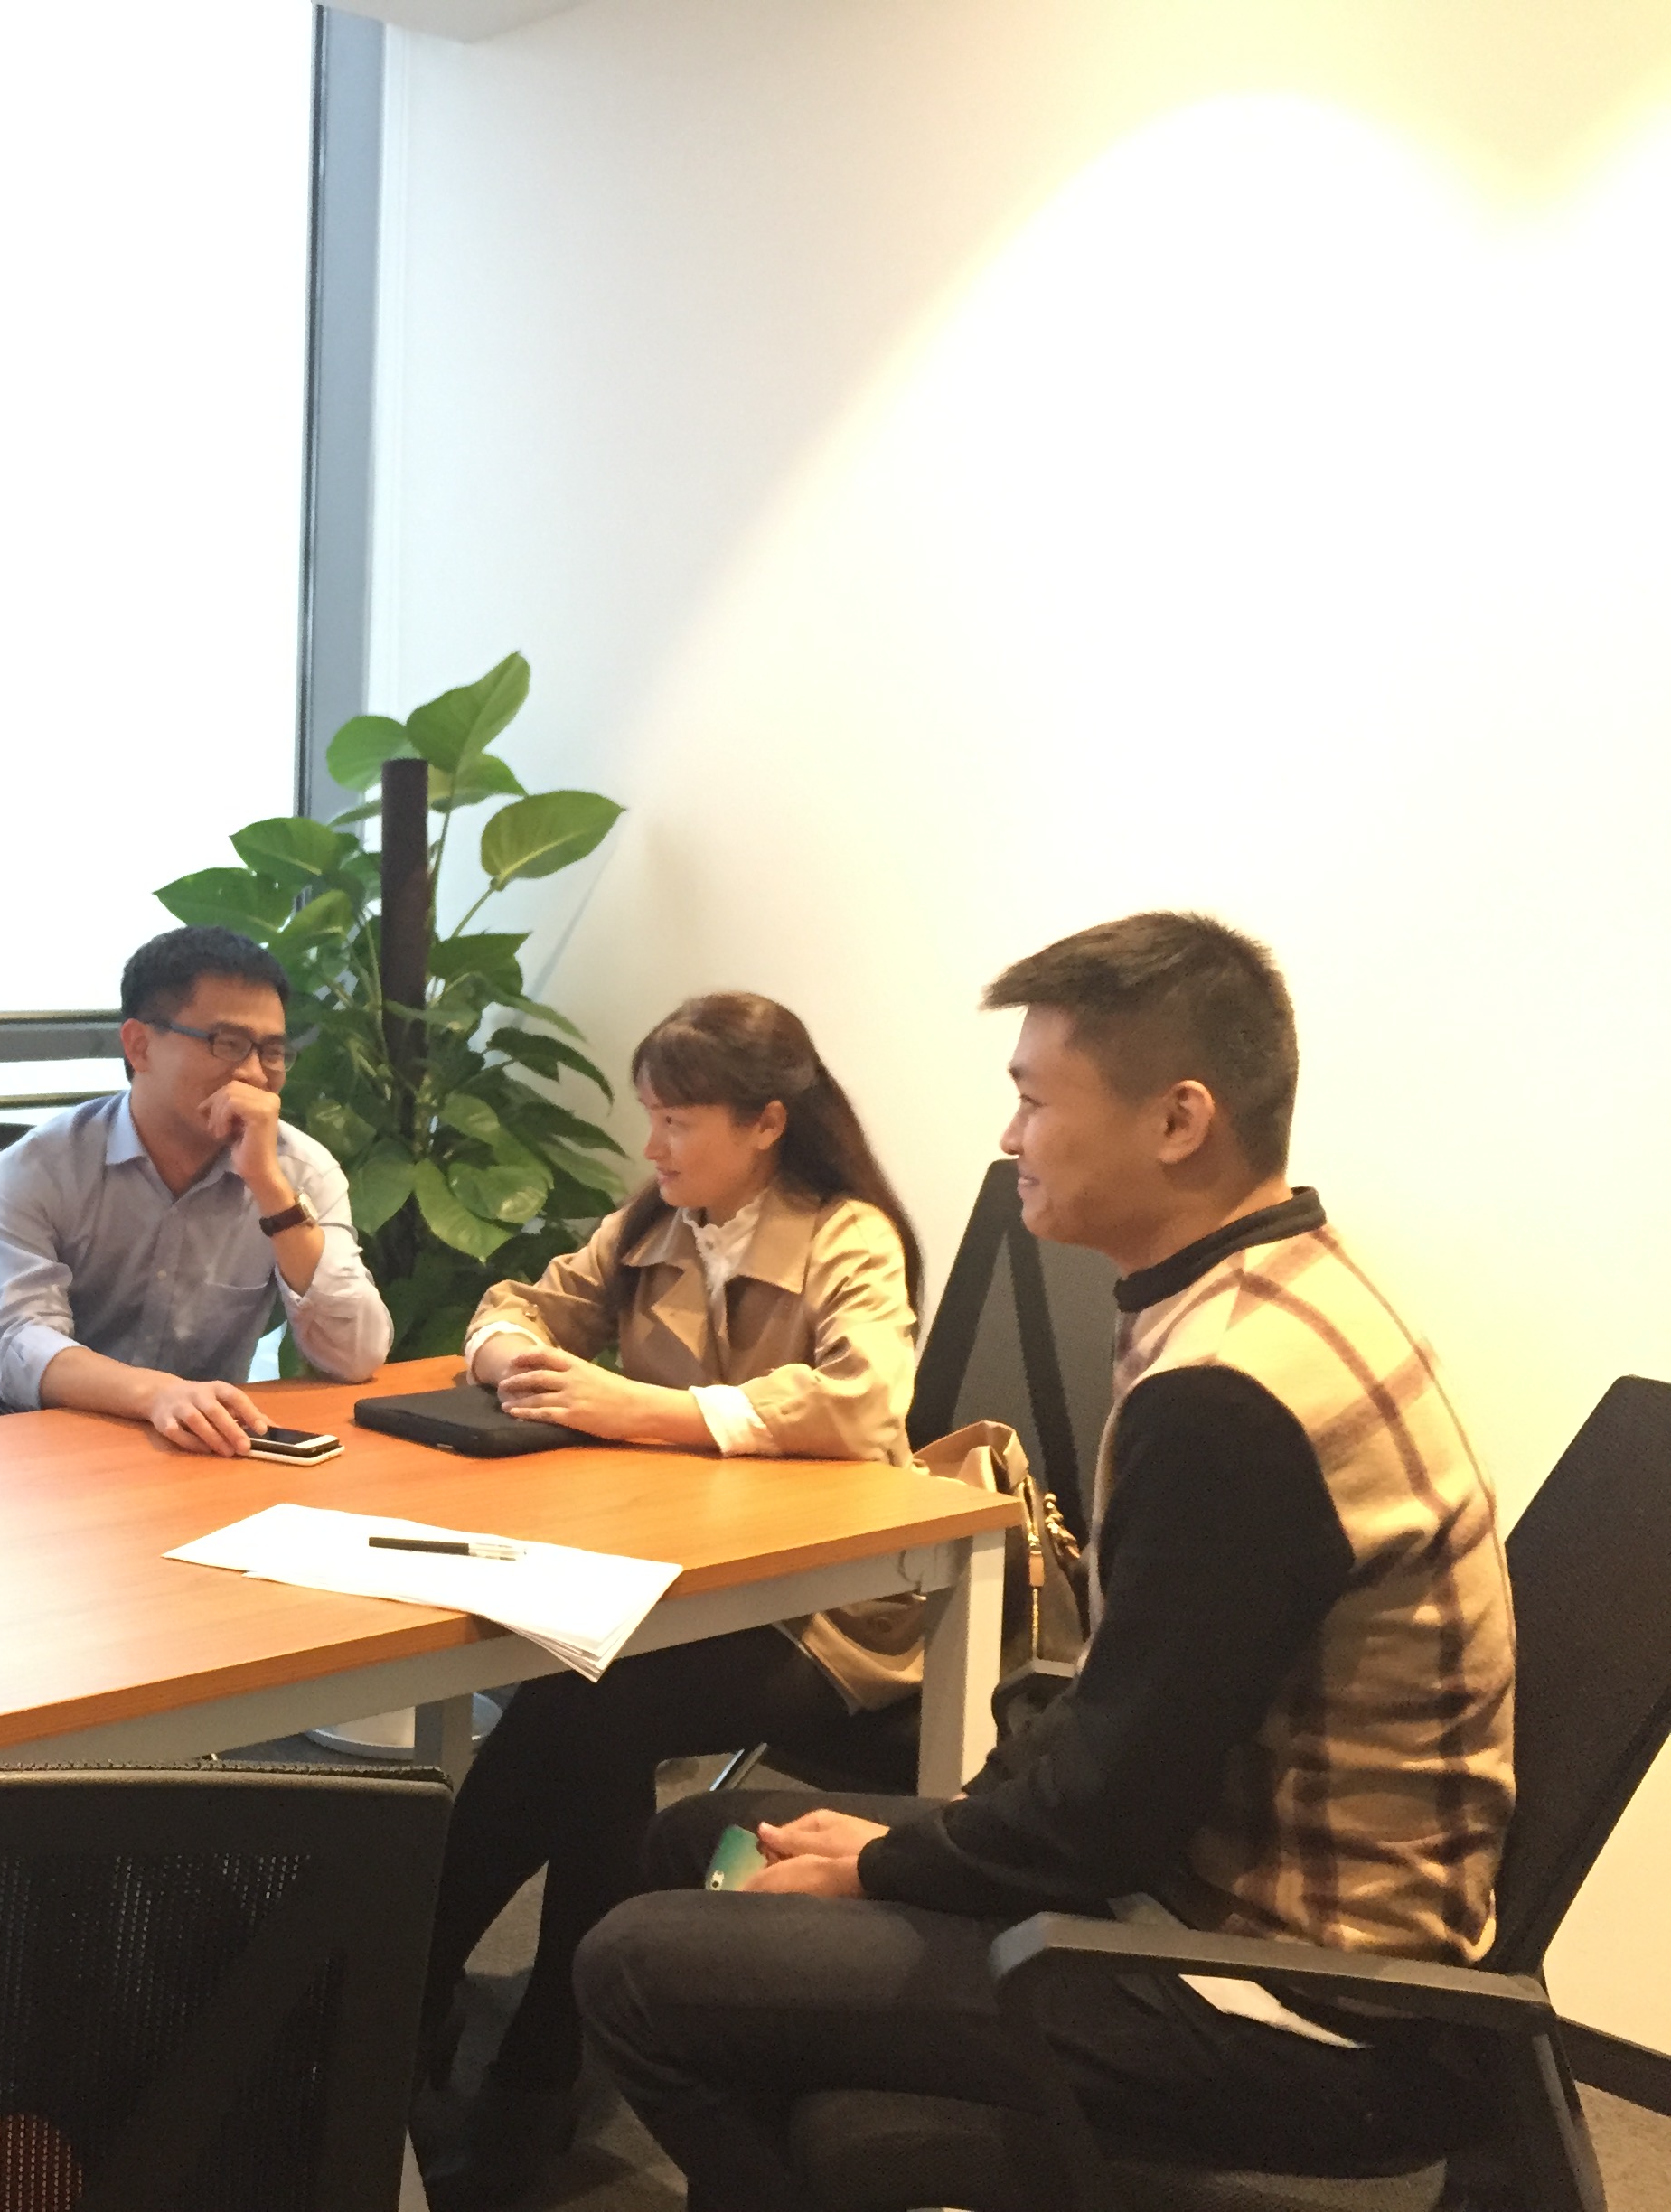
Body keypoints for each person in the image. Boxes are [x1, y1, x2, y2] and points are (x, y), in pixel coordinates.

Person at [575, 914, 1513, 2210]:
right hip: (1191, 1889)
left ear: (1178, 1121)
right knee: (708, 1847)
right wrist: (918, 1842)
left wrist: (885, 1866)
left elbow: (1106, 1813)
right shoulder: (1268, 1291)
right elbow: (1130, 1731)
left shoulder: (1226, 1398)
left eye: (1033, 1098)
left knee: (636, 1968)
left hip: (1282, 1999)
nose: (1009, 1136)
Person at [416, 991, 924, 2210]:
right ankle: (515, 2045)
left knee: (586, 1704)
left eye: (678, 1120)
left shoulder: (847, 1235)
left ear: (766, 1123)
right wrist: (513, 1358)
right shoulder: (656, 1220)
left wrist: (643, 1409)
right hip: (673, 1586)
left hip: (826, 1614)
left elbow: (866, 1402)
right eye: (651, 1117)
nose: (652, 1147)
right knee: (586, 1703)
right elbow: (519, 1306)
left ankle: (441, 2001)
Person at [0, 925, 392, 1453]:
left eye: (272, 1051)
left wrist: (271, 1189)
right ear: (140, 1045)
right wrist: (156, 1395)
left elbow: (356, 1356)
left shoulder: (298, 1170)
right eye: (228, 1044)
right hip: (43, 1445)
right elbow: (19, 1344)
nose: (255, 1075)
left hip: (202, 1449)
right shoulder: (38, 1169)